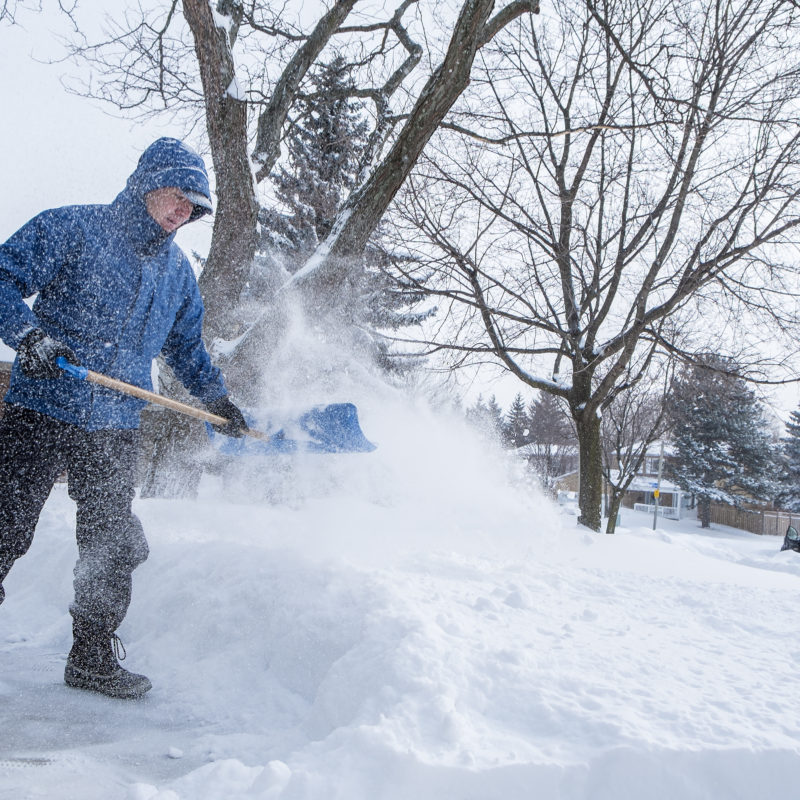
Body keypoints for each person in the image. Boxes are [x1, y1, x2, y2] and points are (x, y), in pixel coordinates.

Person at [0, 137, 247, 699]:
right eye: (178, 197)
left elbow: (186, 348)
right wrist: (29, 335)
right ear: (147, 185)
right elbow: (1, 278)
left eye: (194, 206)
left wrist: (216, 400)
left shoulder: (177, 274)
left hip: (115, 421)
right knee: (4, 525)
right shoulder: (72, 227)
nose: (184, 212)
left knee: (111, 542)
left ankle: (90, 656)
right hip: (43, 405)